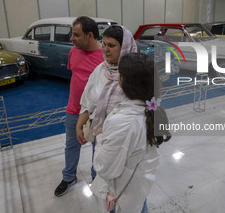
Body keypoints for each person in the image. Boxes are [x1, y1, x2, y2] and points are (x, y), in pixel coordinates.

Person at [90, 53, 171, 213]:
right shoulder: (148, 109)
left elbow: (105, 168)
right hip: (136, 189)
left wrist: (99, 136)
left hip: (121, 195)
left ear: (125, 81)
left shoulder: (124, 121)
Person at [75, 25, 137, 175]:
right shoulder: (101, 70)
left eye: (111, 45)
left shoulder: (136, 73)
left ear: (125, 47)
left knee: (126, 180)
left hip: (128, 139)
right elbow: (89, 99)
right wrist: (80, 123)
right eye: (104, 44)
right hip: (102, 136)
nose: (105, 49)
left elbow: (145, 108)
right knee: (100, 173)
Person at [54, 16, 104, 197]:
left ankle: (96, 176)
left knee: (97, 146)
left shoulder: (106, 55)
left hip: (98, 112)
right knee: (71, 145)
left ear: (90, 35)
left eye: (76, 34)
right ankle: (68, 177)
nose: (71, 38)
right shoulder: (73, 51)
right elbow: (75, 76)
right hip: (74, 109)